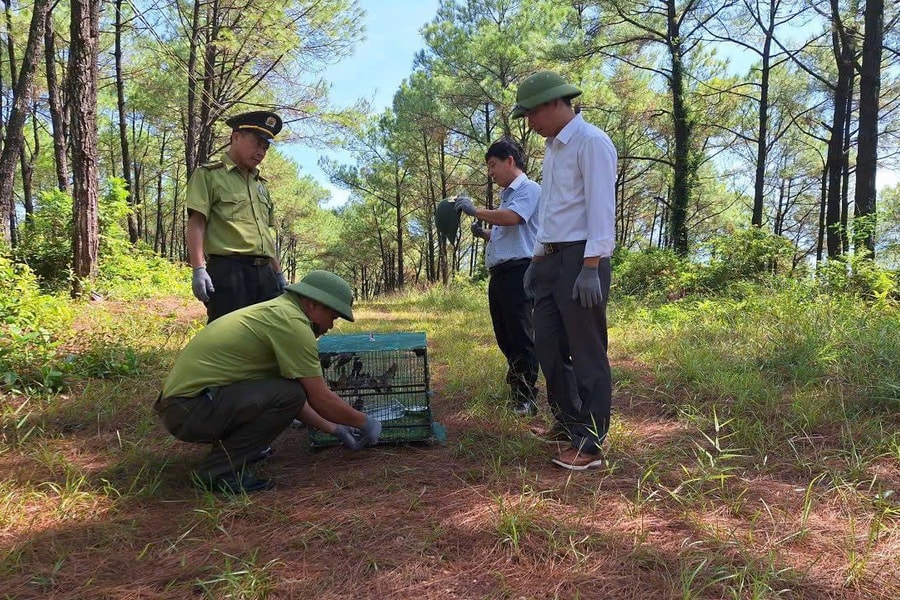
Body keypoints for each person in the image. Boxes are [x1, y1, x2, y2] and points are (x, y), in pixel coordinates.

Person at [155, 270, 382, 493]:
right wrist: (365, 422)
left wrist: (335, 429)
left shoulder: (276, 312)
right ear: (313, 305)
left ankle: (236, 454)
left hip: (184, 407)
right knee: (290, 393)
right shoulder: (292, 324)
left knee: (288, 393)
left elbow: (290, 402)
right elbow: (318, 398)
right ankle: (219, 473)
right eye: (332, 317)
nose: (331, 326)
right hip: (190, 411)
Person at [511, 71, 616, 471]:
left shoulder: (591, 142)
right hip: (552, 259)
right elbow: (554, 210)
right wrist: (537, 259)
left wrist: (591, 265)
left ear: (555, 103)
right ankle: (568, 423)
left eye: (532, 113)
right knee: (549, 346)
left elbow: (601, 207)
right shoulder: (553, 150)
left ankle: (590, 445)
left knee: (587, 351)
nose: (530, 123)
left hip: (581, 259)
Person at [454, 138, 540, 417]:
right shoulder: (508, 196)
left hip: (520, 272)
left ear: (510, 161)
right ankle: (517, 388)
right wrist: (485, 234)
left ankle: (527, 397)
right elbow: (508, 232)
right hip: (501, 274)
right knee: (504, 334)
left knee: (521, 335)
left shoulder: (528, 189)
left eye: (493, 165)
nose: (491, 172)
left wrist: (475, 210)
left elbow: (513, 219)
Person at [187, 110, 290, 323]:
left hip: (266, 274)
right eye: (256, 143)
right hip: (230, 272)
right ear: (235, 137)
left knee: (271, 336)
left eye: (265, 147)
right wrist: (198, 268)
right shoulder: (209, 175)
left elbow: (265, 235)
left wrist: (279, 274)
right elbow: (197, 222)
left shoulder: (260, 185)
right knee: (228, 338)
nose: (261, 151)